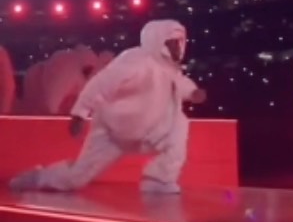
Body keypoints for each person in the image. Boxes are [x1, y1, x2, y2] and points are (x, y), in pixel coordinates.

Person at [9, 19, 207, 195]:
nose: (177, 47)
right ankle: (39, 177)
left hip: (151, 131)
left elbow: (178, 83)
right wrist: (80, 113)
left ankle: (159, 178)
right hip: (113, 132)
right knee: (77, 177)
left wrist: (192, 92)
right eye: (172, 42)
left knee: (179, 125)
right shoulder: (134, 61)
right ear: (158, 41)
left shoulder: (168, 67)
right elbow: (100, 84)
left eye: (180, 42)